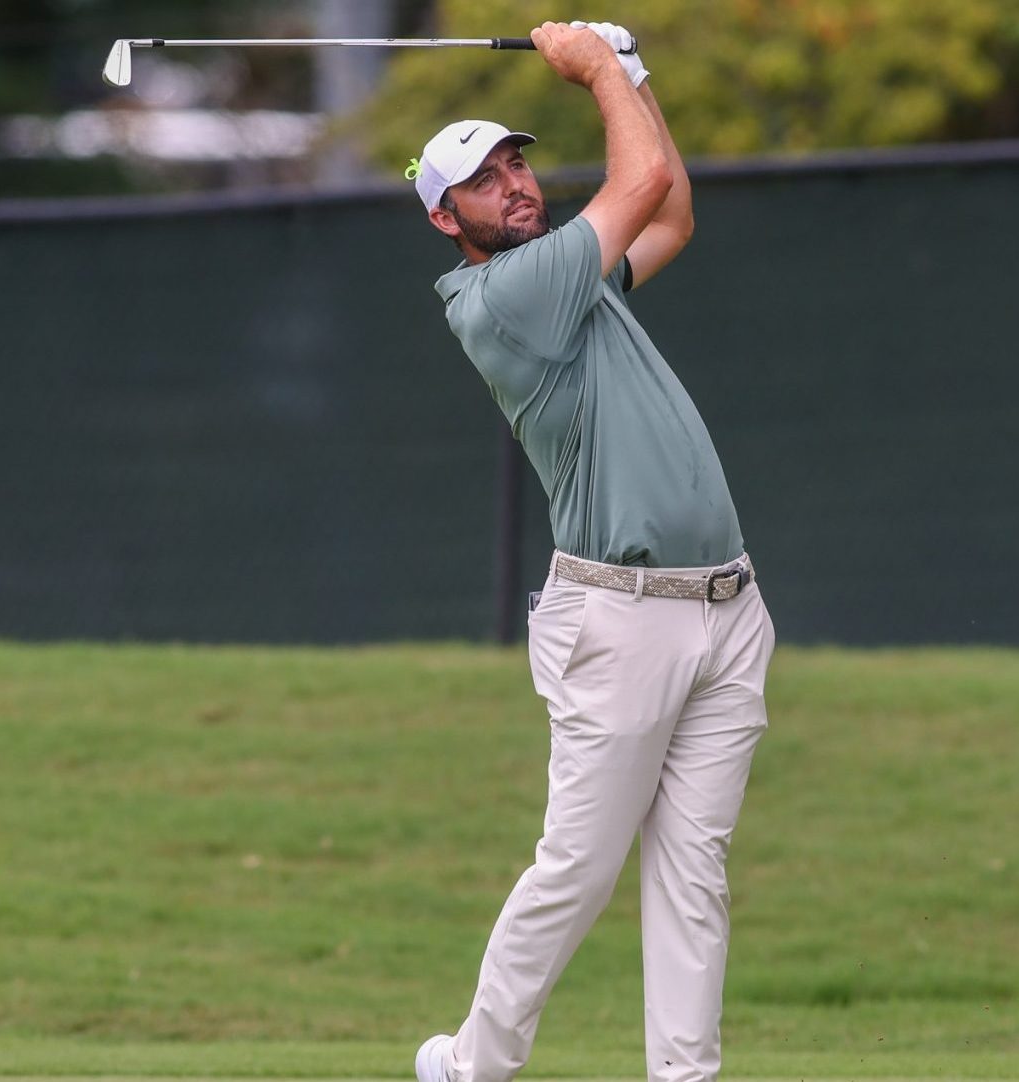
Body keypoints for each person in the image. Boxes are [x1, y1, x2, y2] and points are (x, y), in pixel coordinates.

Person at [406, 19, 776, 1082]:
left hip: (727, 607)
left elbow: (674, 211)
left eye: (517, 164)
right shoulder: (508, 299)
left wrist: (635, 75)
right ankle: (473, 1063)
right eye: (484, 181)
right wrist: (601, 68)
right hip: (621, 619)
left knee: (694, 873)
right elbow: (643, 178)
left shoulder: (577, 280)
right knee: (578, 866)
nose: (515, 185)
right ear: (446, 218)